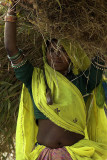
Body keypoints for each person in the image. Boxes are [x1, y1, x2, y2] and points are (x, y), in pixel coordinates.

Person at [4, 1, 107, 160]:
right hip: (43, 156)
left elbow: (102, 50)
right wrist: (11, 14)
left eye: (63, 51)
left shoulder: (83, 81)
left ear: (72, 56)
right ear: (46, 54)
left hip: (76, 156)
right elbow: (11, 48)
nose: (56, 55)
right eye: (52, 50)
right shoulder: (34, 79)